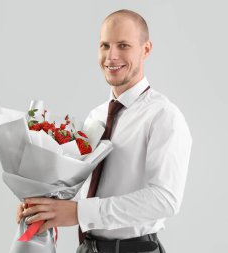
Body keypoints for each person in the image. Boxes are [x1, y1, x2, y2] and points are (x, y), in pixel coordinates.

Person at [17, 9, 192, 253]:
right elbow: (90, 188)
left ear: (146, 49)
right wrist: (46, 207)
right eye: (105, 45)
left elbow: (165, 200)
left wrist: (79, 213)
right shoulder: (96, 116)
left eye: (123, 45)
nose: (111, 56)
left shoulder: (163, 116)